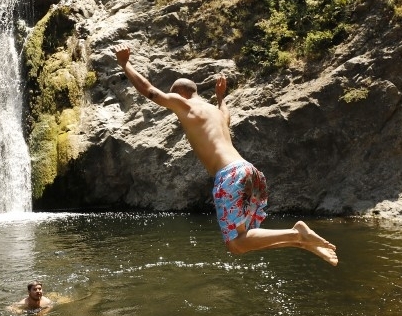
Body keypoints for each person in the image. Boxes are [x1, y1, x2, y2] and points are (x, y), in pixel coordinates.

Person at [114, 45, 338, 266]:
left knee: (236, 243)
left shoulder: (186, 105)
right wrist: (221, 96)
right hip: (250, 172)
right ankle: (301, 242)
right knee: (244, 243)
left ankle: (297, 234)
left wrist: (125, 63)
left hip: (229, 176)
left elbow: (151, 92)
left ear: (180, 94)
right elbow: (226, 115)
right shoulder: (215, 113)